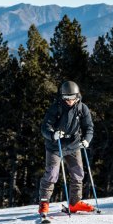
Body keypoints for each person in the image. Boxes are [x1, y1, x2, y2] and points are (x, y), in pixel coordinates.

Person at [38, 80, 95, 216]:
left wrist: (87, 140)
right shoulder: (55, 108)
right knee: (52, 174)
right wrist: (53, 134)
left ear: (77, 95)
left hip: (73, 144)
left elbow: (89, 127)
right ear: (62, 96)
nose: (69, 101)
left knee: (78, 173)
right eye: (66, 98)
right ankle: (44, 204)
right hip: (55, 146)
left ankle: (74, 203)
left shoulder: (82, 108)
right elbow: (45, 127)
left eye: (72, 98)